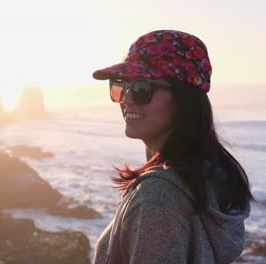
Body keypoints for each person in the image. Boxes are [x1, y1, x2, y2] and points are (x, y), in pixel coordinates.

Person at [91, 30, 254, 264]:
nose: (126, 99)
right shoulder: (209, 179)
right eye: (121, 86)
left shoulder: (157, 197)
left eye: (141, 88)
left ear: (182, 99)